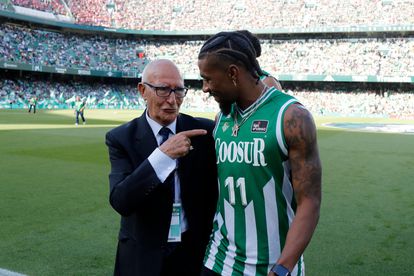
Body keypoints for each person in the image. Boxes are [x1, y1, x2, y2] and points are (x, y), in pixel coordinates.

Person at [197, 31, 322, 276]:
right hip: (217, 261)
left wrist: (283, 268)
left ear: (233, 73)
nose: (205, 88)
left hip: (272, 267)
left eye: (209, 79)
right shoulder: (221, 117)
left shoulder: (292, 117)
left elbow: (310, 201)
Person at [105, 59, 218, 276]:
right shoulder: (121, 138)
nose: (172, 100)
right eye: (163, 90)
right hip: (142, 255)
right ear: (142, 91)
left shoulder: (204, 132)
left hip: (192, 251)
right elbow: (121, 200)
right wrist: (163, 155)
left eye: (178, 91)